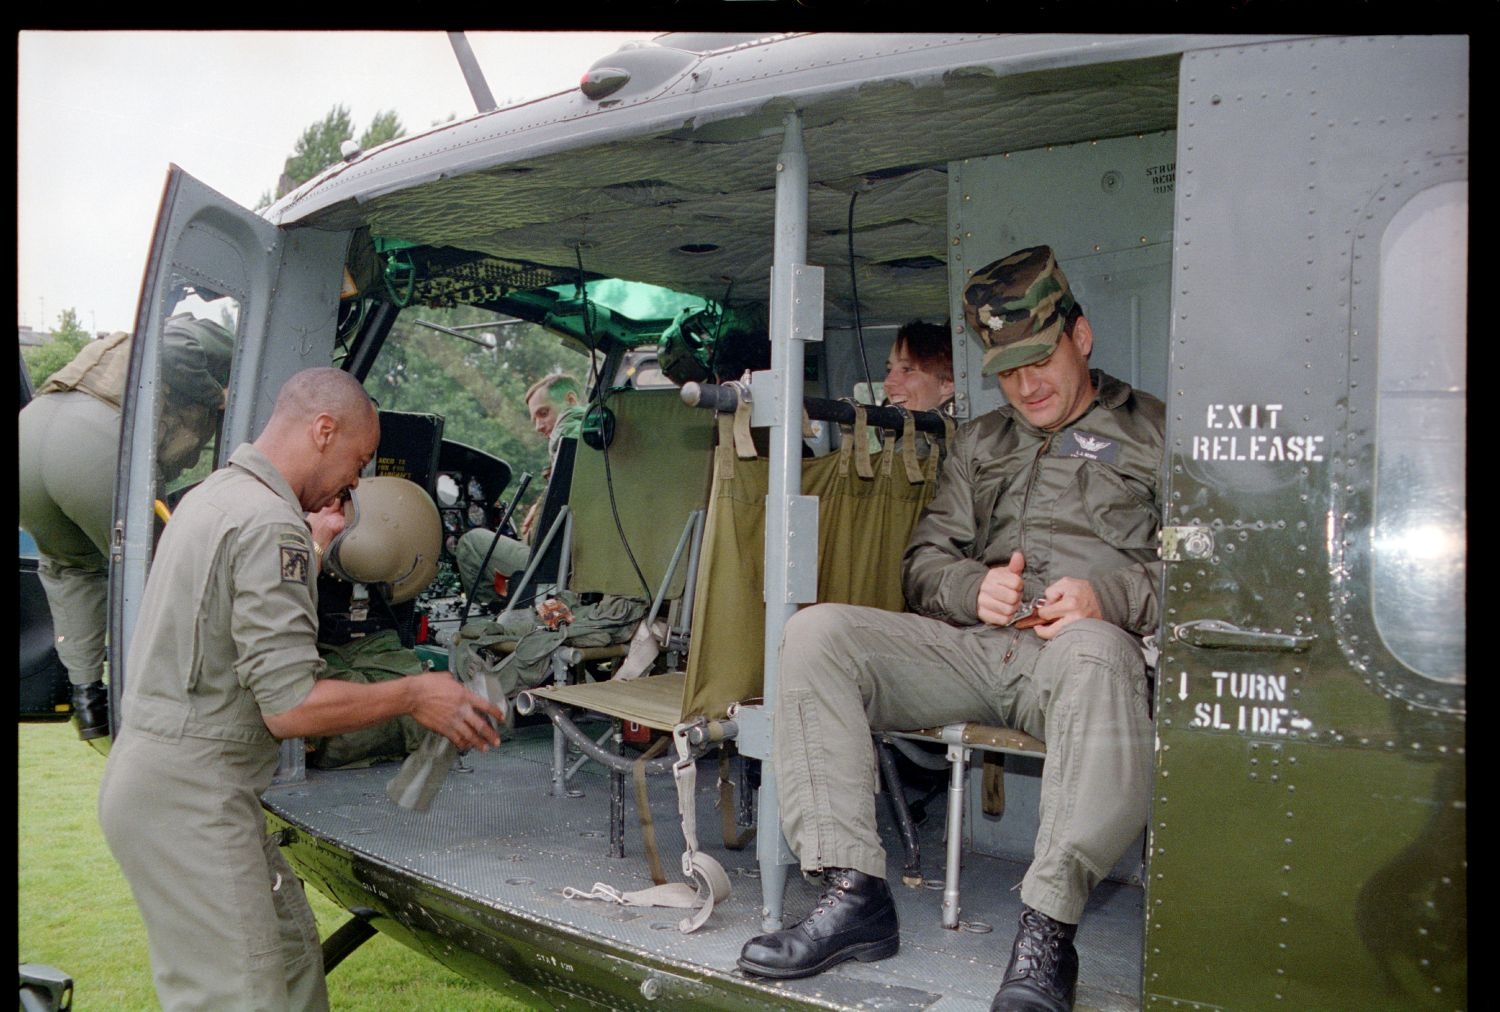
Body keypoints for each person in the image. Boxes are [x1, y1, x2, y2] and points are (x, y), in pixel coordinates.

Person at [737, 246, 1164, 1012]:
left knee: (1098, 653)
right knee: (816, 634)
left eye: (1040, 360)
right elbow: (923, 564)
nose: (1026, 385)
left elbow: (1207, 579)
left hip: (1077, 661)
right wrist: (975, 588)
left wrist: (1110, 598)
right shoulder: (982, 442)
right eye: (1006, 370)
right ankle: (854, 892)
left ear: (1083, 337)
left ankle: (1046, 937)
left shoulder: (1155, 434)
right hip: (976, 651)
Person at [97, 367, 507, 1011]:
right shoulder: (269, 523)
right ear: (323, 430)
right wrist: (414, 692)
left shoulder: (216, 496)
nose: (356, 481)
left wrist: (313, 548)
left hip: (172, 785)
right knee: (249, 996)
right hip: (192, 800)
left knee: (289, 966)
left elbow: (233, 620)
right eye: (359, 458)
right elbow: (289, 707)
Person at [18, 315, 234, 744]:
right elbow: (173, 345)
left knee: (69, 568)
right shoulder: (225, 337)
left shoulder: (118, 346)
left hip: (29, 437)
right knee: (176, 577)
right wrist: (219, 398)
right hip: (94, 441)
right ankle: (184, 717)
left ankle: (89, 701)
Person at [454, 371, 585, 605]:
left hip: (555, 566)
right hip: (568, 560)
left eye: (543, 413)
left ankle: (491, 618)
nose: (537, 427)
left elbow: (571, 427)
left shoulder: (574, 434)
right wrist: (542, 502)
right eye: (533, 418)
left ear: (571, 401)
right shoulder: (597, 448)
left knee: (471, 542)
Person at [882, 319, 954, 414]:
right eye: (889, 370)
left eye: (907, 369)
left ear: (947, 383)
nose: (888, 382)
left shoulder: (972, 428)